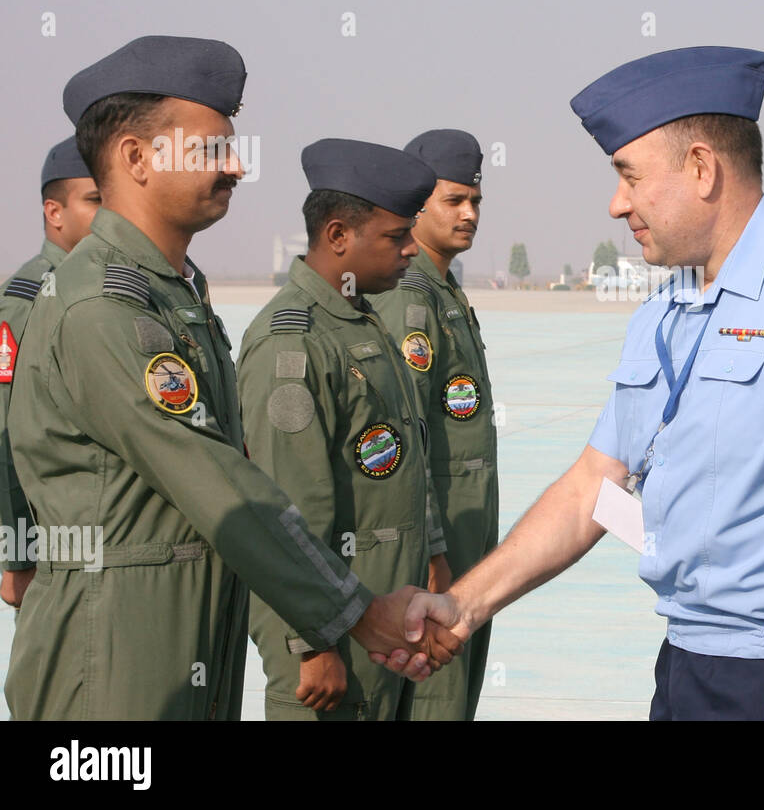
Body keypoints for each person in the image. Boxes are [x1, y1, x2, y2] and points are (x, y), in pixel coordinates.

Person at [392, 46, 764, 721]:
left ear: (701, 168)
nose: (617, 204)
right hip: (684, 664)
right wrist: (464, 605)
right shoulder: (664, 313)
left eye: (630, 177)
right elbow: (594, 488)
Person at [5, 36, 455, 720]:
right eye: (213, 149)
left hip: (183, 647)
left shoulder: (172, 298)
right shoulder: (103, 306)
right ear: (135, 158)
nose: (237, 167)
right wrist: (354, 612)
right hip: (113, 665)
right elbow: (220, 485)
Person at [237, 138, 451, 719]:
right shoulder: (294, 342)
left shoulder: (361, 321)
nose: (411, 249)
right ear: (338, 236)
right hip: (329, 647)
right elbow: (282, 514)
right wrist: (311, 644)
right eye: (394, 237)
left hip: (378, 626)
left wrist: (431, 554)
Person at [372, 129, 499, 721]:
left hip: (465, 537)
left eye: (476, 200)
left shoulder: (444, 290)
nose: (469, 213)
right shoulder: (411, 297)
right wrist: (431, 546)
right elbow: (403, 431)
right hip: (439, 548)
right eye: (455, 200)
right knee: (433, 701)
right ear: (418, 204)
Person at [0, 138, 100, 610]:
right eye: (95, 201)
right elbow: (5, 435)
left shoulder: (107, 287)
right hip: (56, 556)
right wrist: (17, 556)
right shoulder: (25, 300)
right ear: (54, 212)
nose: (109, 215)